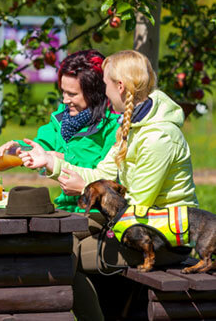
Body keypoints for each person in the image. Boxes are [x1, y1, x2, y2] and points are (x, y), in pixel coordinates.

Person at [20, 50, 198, 320]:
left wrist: (83, 189)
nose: (102, 91)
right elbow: (103, 174)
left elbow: (138, 204)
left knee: (65, 256)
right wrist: (50, 163)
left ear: (120, 86)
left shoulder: (158, 137)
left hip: (162, 239)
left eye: (104, 84)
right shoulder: (131, 124)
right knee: (57, 246)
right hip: (135, 228)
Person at [0, 49, 120, 213]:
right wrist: (16, 150)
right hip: (66, 210)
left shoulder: (113, 126)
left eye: (72, 94)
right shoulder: (62, 120)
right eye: (63, 92)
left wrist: (61, 159)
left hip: (97, 213)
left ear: (95, 93)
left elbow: (108, 177)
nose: (65, 100)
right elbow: (40, 146)